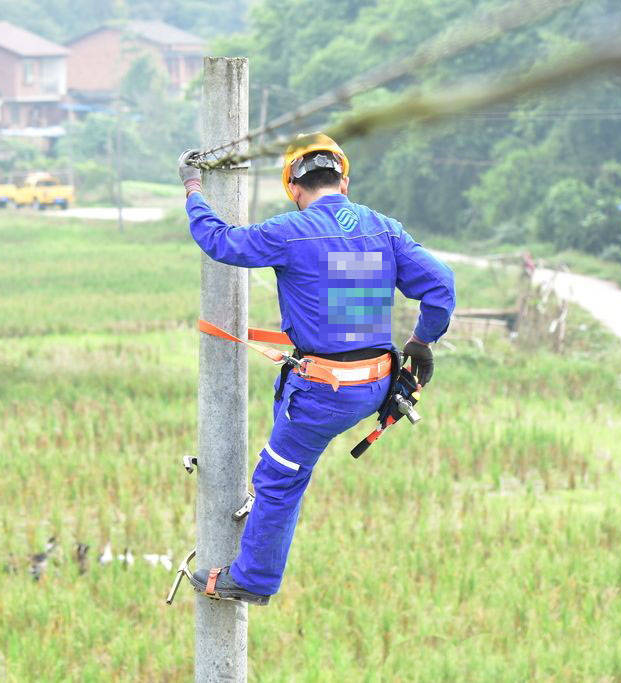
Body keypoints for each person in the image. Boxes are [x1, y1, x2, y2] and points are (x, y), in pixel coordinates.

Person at [179, 133, 455, 604]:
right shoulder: (383, 228)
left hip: (324, 394)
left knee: (279, 476)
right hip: (374, 385)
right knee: (286, 437)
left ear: (293, 186)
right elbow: (440, 284)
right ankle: (270, 488)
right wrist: (422, 341)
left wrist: (193, 190)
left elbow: (221, 242)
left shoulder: (289, 231)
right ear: (343, 180)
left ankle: (252, 580)